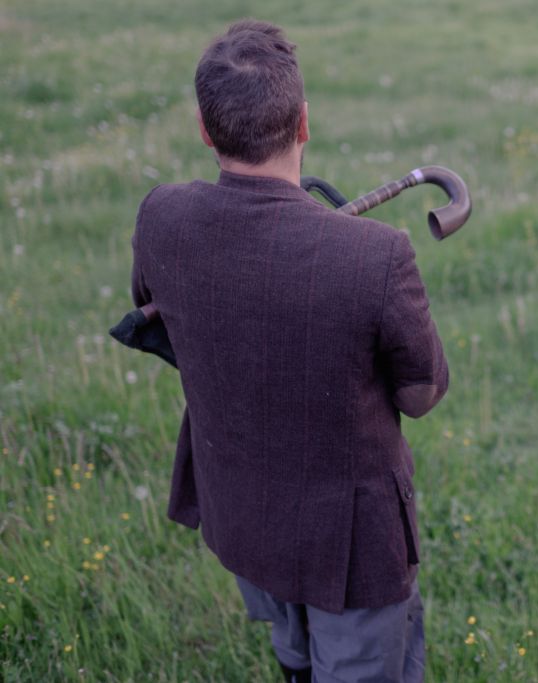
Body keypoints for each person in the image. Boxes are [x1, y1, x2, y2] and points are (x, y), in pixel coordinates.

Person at [129, 20, 447, 683]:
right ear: (304, 122)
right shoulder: (375, 254)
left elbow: (160, 309)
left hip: (242, 513)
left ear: (204, 129)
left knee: (294, 656)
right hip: (353, 549)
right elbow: (420, 395)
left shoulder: (160, 216)